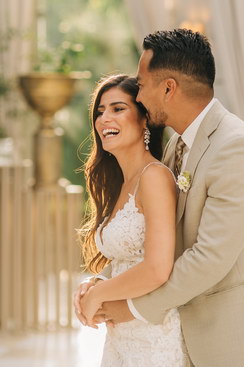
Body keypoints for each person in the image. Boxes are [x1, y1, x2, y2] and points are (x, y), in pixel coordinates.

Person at [74, 29, 244, 367]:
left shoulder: (237, 147)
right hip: (181, 331)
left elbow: (209, 258)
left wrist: (128, 306)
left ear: (168, 88)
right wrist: (104, 283)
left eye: (142, 85)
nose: (140, 96)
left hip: (231, 339)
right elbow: (161, 240)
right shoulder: (178, 145)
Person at [77, 74, 188, 366]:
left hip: (154, 338)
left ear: (143, 121)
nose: (104, 119)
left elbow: (156, 268)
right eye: (100, 111)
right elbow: (130, 257)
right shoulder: (120, 183)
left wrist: (98, 295)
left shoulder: (154, 177)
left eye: (117, 108)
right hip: (121, 337)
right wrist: (96, 281)